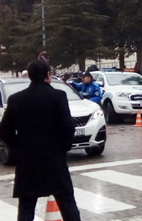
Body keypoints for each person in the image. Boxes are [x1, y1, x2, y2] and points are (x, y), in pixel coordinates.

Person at [0, 60, 81, 221]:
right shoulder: (58, 96)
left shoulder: (16, 99)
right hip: (54, 158)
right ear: (48, 75)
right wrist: (63, 147)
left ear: (29, 76)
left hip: (27, 159)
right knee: (67, 203)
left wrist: (19, 147)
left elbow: (4, 130)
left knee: (26, 207)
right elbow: (68, 126)